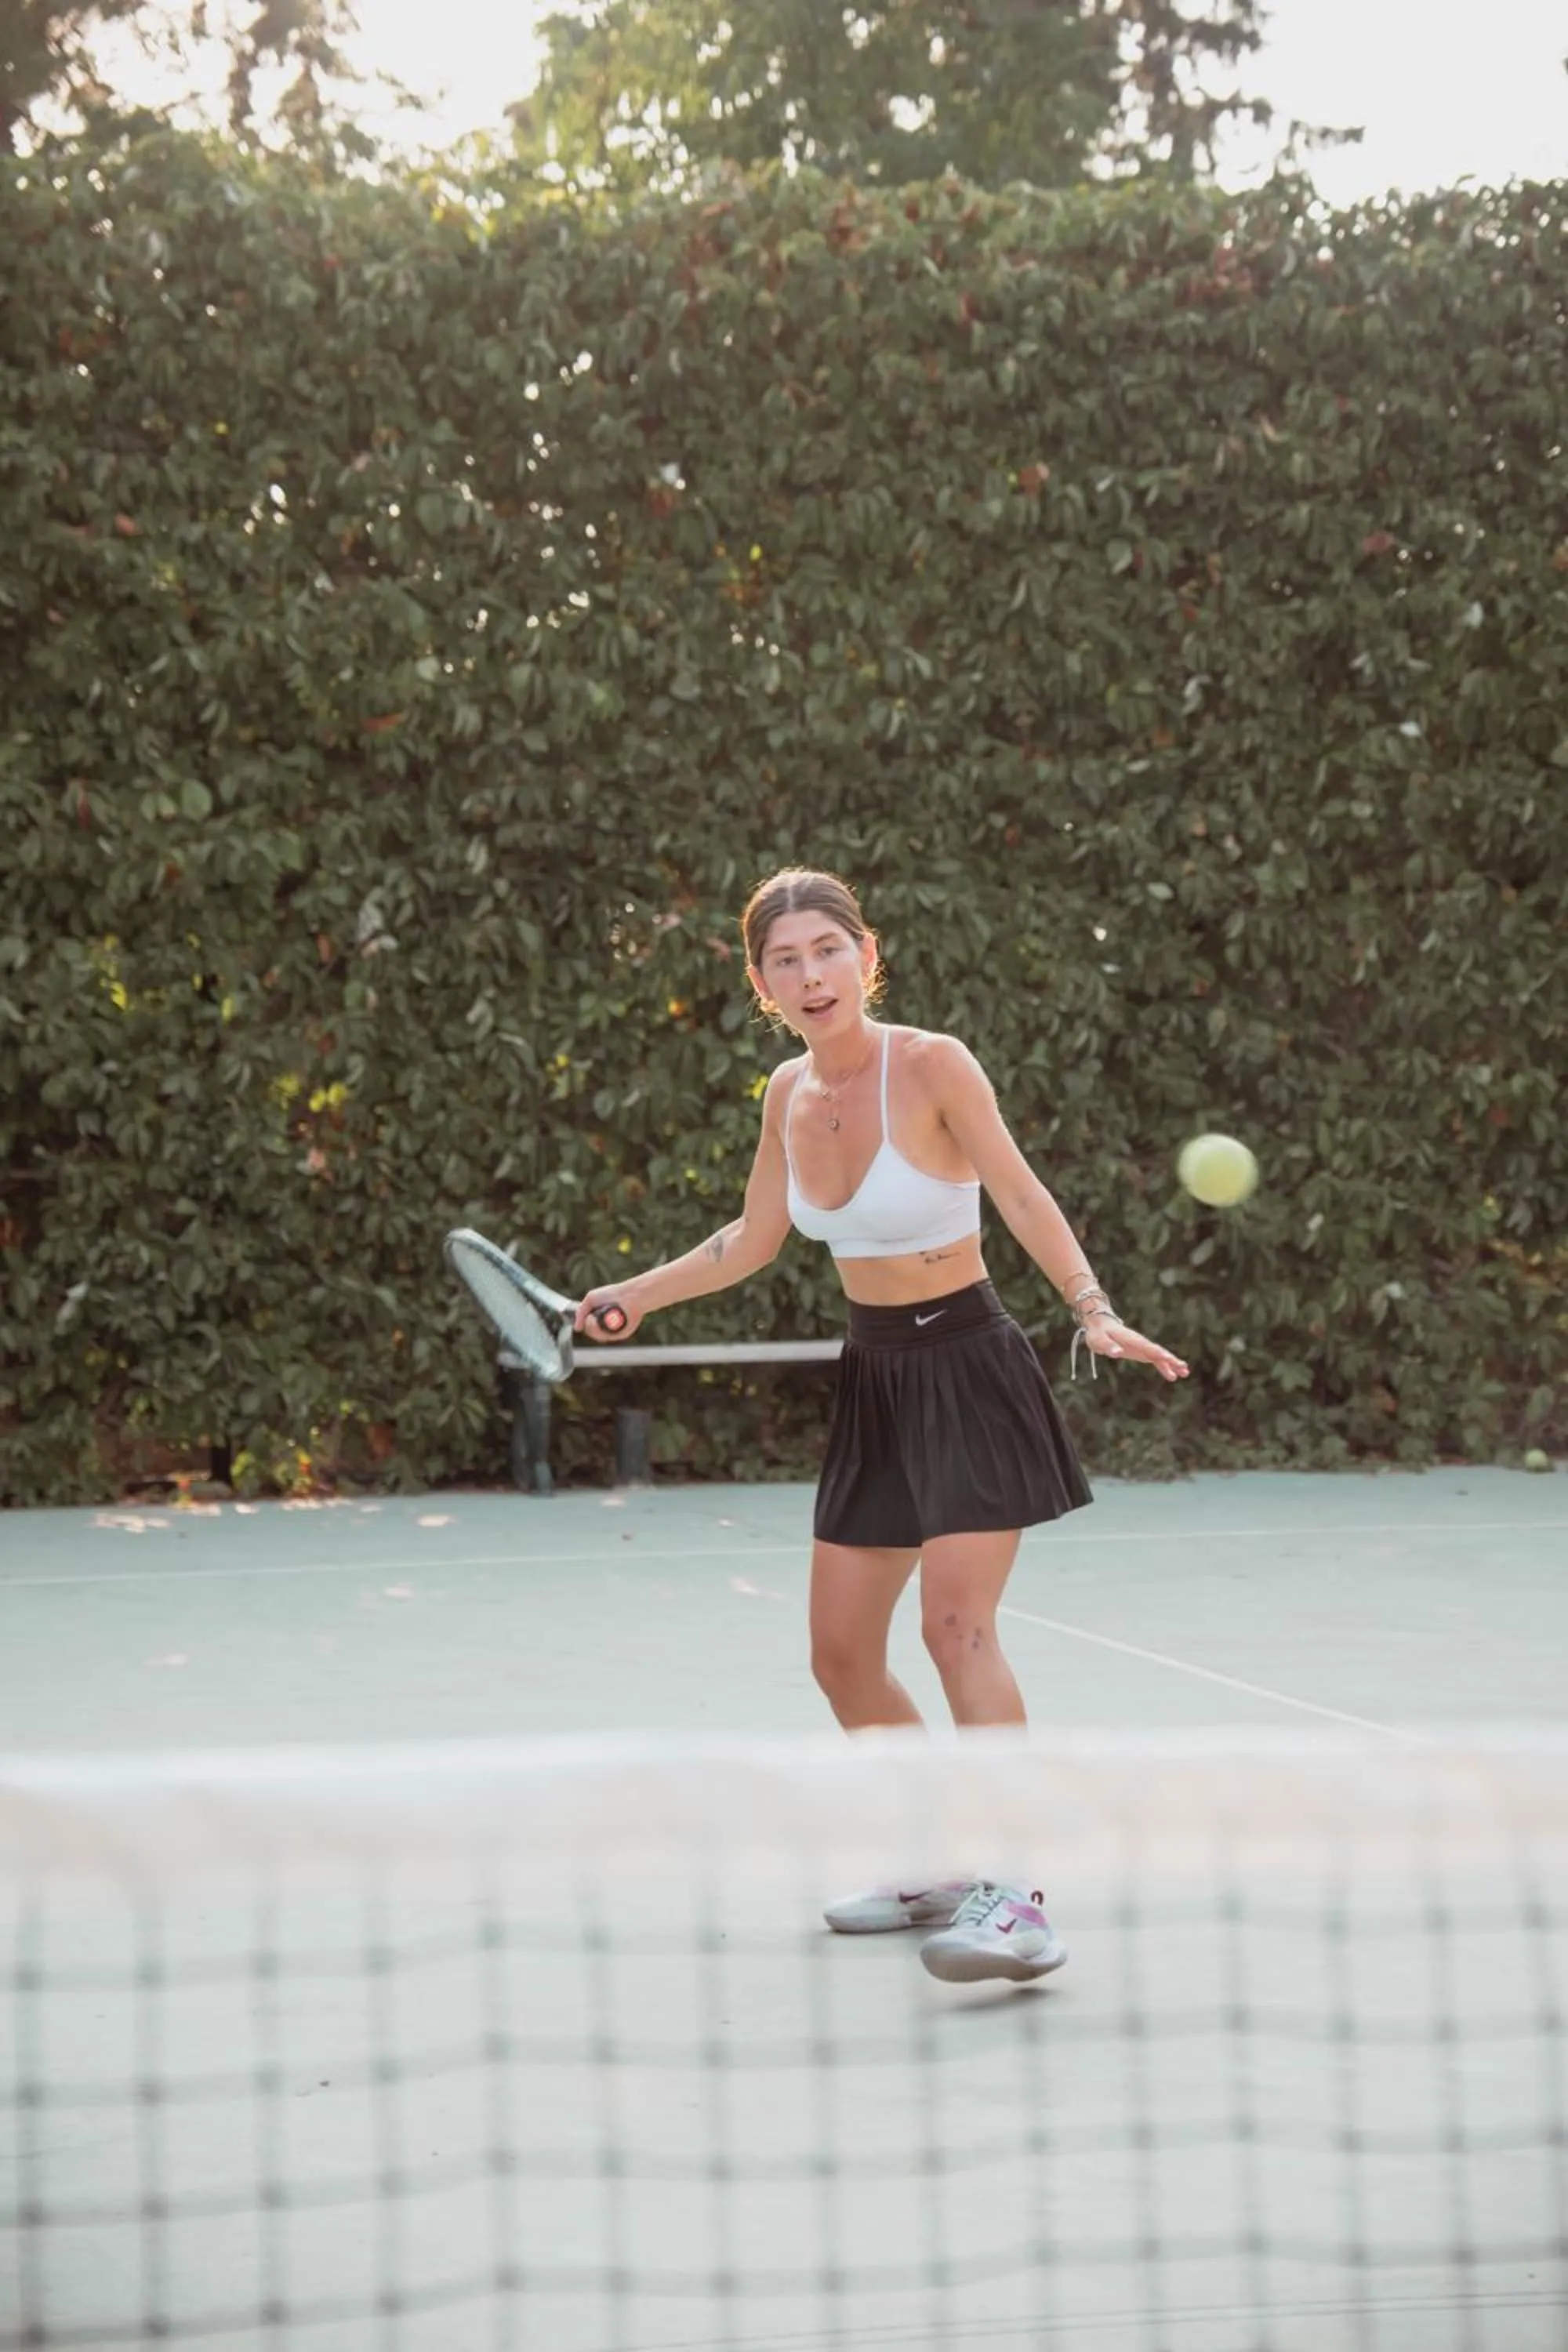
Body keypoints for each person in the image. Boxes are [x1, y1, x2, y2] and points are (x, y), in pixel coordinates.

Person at [577, 867, 1189, 1985]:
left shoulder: (934, 1064)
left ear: (867, 954)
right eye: (785, 959)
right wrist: (634, 1295)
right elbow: (753, 1239)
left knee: (957, 1629)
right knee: (842, 1657)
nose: (811, 975)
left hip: (969, 1364)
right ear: (760, 982)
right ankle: (939, 1861)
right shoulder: (785, 1095)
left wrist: (1092, 1310)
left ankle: (1021, 1897)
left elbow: (1019, 1190)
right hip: (876, 1379)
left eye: (827, 949)